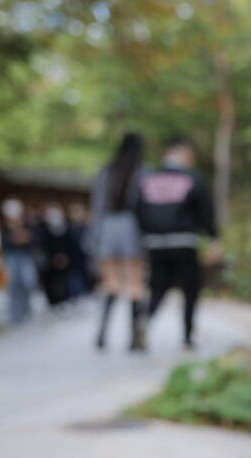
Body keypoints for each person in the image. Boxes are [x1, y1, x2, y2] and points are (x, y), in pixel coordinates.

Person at [136, 136, 216, 350]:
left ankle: (145, 319)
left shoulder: (148, 178)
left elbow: (137, 210)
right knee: (190, 289)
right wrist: (213, 237)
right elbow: (206, 210)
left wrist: (144, 235)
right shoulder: (193, 178)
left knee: (158, 287)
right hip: (184, 241)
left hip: (155, 242)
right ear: (185, 153)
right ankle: (187, 337)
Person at [89, 132, 148, 351]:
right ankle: (135, 337)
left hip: (107, 227)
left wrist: (94, 237)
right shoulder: (142, 171)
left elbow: (96, 206)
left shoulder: (106, 171)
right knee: (136, 284)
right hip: (131, 226)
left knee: (110, 283)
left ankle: (102, 333)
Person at [0, 197, 38, 324]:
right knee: (14, 285)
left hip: (25, 256)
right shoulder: (4, 227)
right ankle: (15, 314)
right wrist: (16, 238)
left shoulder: (27, 224)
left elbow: (33, 240)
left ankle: (26, 309)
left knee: (28, 282)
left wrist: (22, 237)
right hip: (12, 257)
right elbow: (5, 244)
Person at [36, 203, 74, 310]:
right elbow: (42, 245)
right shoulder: (43, 228)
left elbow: (70, 244)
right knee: (50, 282)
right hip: (50, 261)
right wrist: (53, 257)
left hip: (64, 260)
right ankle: (52, 302)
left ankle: (63, 301)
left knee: (63, 281)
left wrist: (64, 256)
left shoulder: (66, 227)